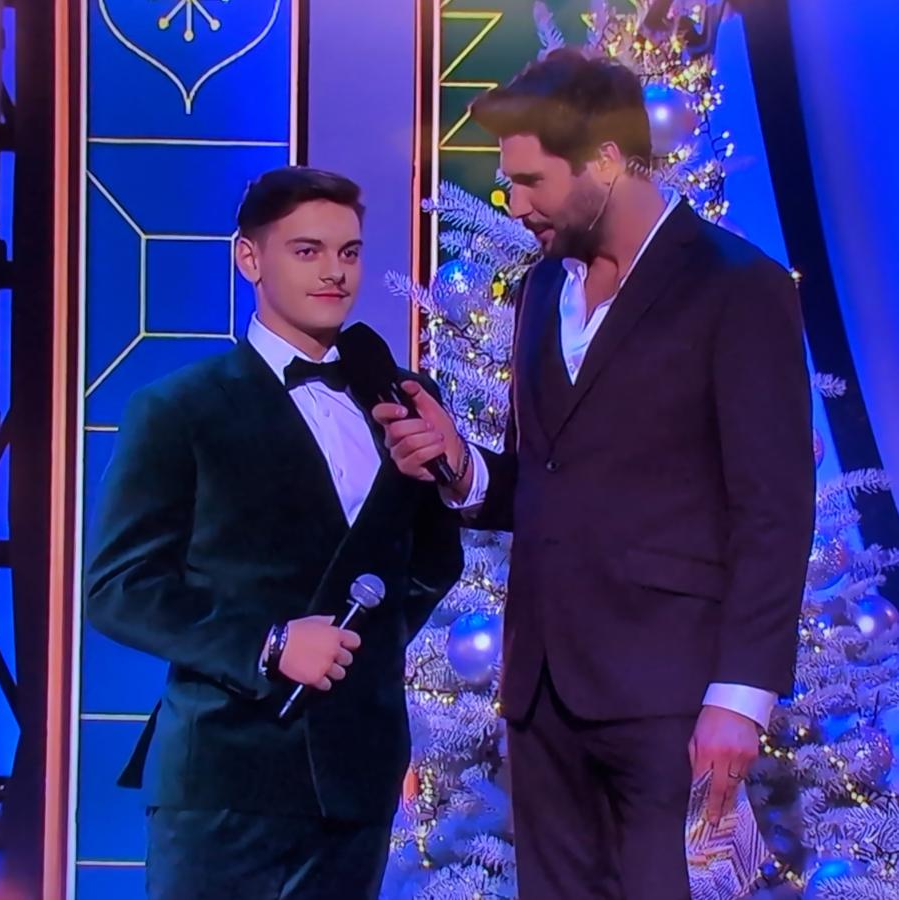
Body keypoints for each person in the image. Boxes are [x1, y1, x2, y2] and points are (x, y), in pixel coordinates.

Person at [373, 50, 815, 900]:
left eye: (531, 181)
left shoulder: (738, 287)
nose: (516, 204)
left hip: (673, 699)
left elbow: (775, 506)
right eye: (509, 184)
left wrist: (741, 698)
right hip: (542, 695)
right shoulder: (541, 289)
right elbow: (548, 480)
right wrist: (461, 465)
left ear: (607, 160)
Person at [85, 167, 463, 900]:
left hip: (357, 776)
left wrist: (362, 646)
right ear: (249, 258)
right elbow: (118, 589)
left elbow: (427, 562)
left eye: (349, 252)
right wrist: (271, 643)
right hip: (226, 774)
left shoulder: (403, 399)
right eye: (307, 251)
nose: (334, 272)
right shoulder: (180, 408)